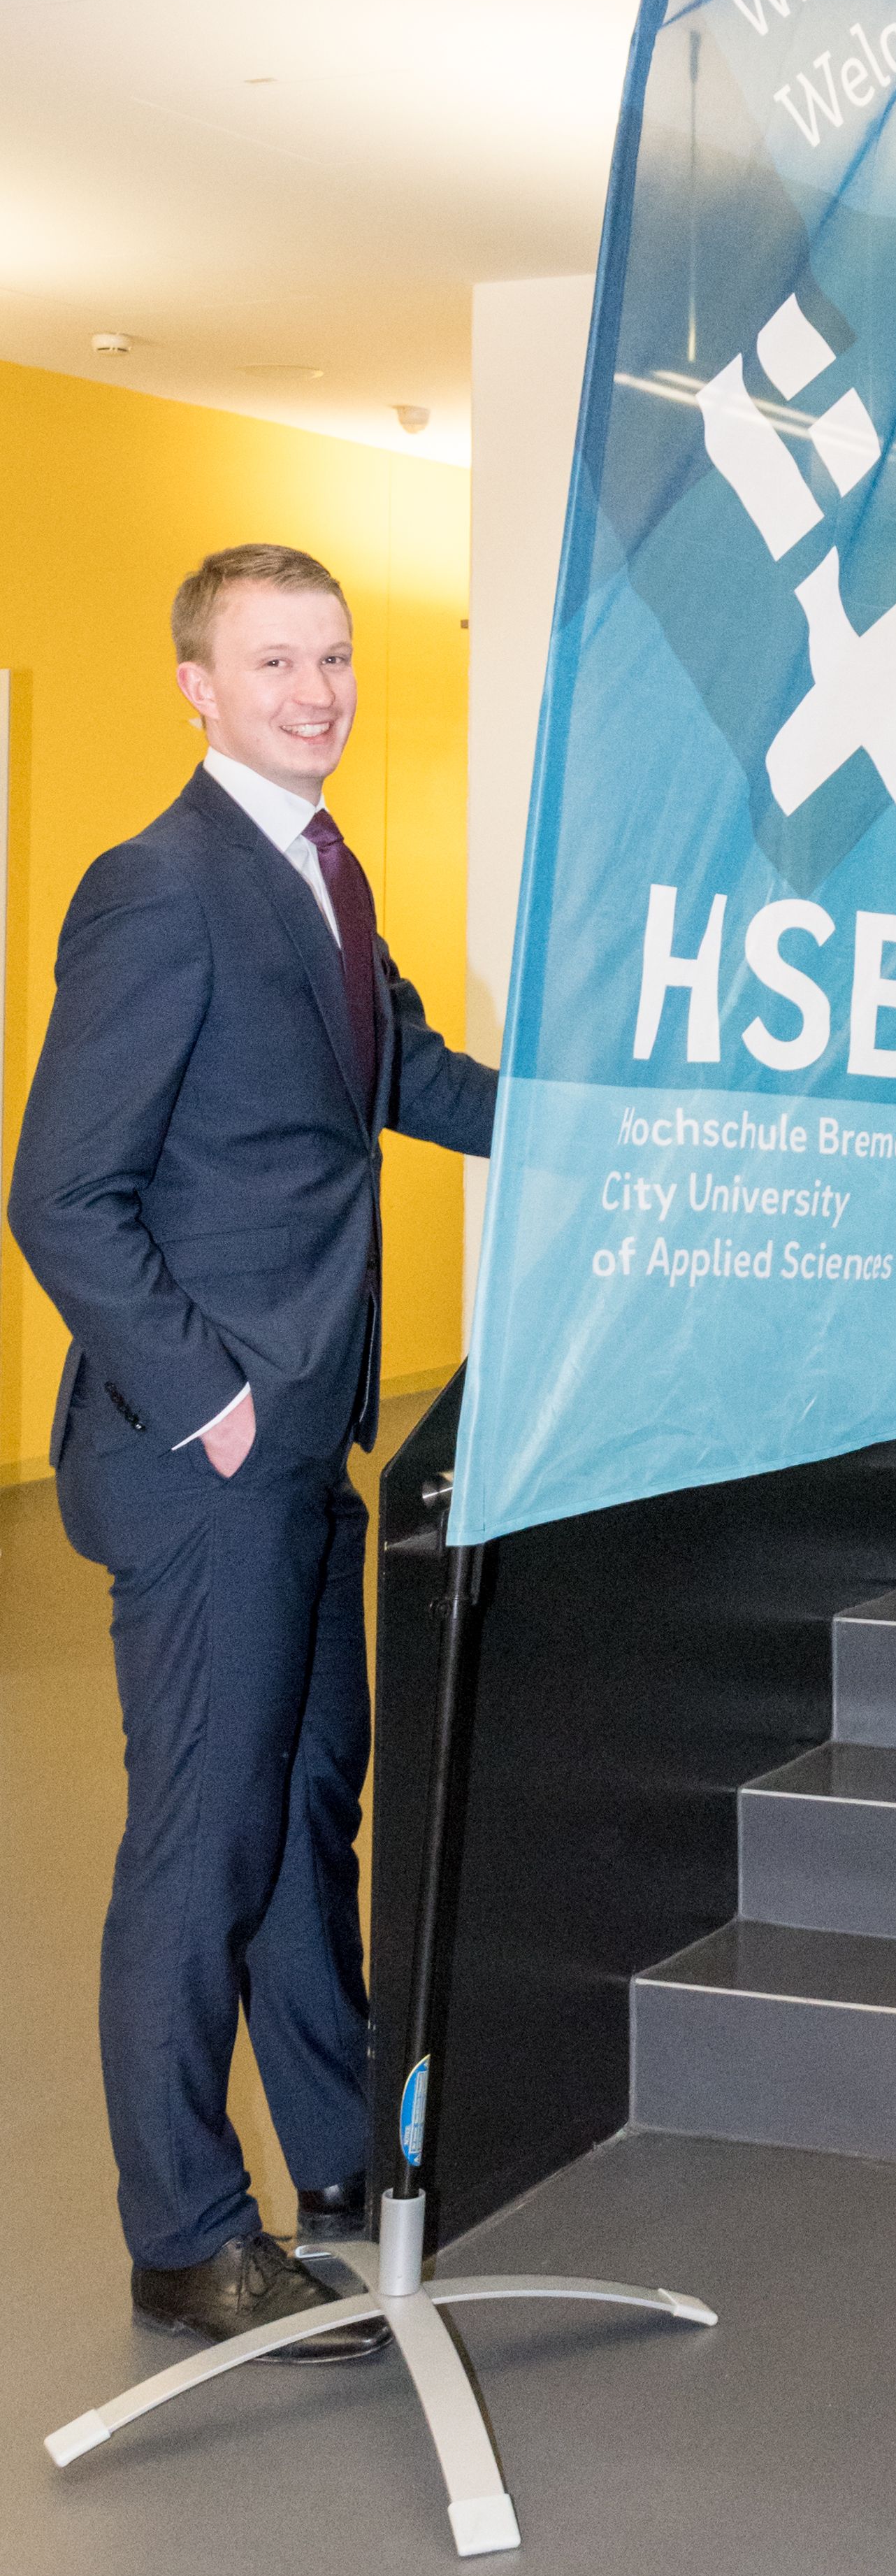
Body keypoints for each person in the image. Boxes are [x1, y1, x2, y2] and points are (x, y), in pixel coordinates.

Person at [8, 544, 498, 2361]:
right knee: (204, 1843)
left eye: (333, 658)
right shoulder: (160, 884)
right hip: (207, 1452)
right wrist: (209, 1400)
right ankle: (185, 2236)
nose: (316, 691)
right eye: (275, 662)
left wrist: (600, 1127)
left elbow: (405, 1077)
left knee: (302, 1819)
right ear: (198, 687)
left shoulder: (325, 870)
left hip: (305, 1442)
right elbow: (60, 1192)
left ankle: (342, 2167)